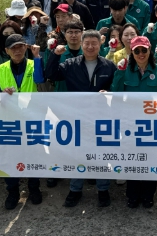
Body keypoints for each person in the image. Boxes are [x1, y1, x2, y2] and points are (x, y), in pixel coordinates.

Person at [39, 30, 116, 208]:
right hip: (76, 117)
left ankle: (103, 190)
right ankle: (75, 190)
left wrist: (109, 92)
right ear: (81, 45)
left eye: (94, 43)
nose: (90, 47)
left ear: (100, 45)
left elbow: (116, 86)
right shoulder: (70, 64)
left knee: (102, 154)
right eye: (86, 43)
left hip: (101, 118)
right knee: (77, 154)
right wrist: (54, 55)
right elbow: (51, 74)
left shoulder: (108, 66)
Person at [111, 36, 157, 208]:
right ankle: (132, 195)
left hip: (152, 122)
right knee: (132, 158)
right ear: (132, 53)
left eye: (144, 50)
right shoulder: (125, 69)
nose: (141, 54)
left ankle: (148, 195)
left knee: (151, 159)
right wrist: (120, 73)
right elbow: (115, 93)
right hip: (130, 122)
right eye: (137, 51)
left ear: (150, 51)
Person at [0, 35, 42, 210]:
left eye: (20, 47)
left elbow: (42, 84)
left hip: (32, 118)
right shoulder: (0, 69)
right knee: (10, 157)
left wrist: (38, 58)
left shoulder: (35, 65)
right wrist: (1, 94)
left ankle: (34, 188)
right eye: (13, 48)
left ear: (26, 47)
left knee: (33, 154)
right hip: (9, 121)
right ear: (6, 51)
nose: (17, 51)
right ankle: (12, 191)